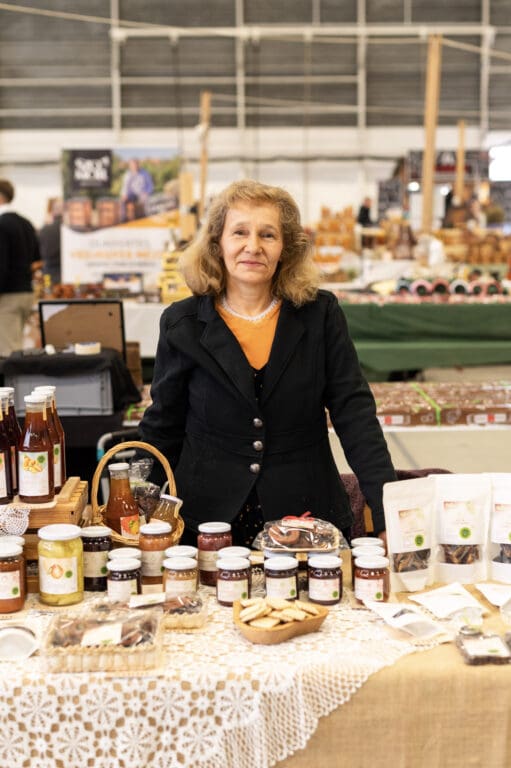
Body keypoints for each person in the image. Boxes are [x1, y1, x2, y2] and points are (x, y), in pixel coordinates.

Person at [138, 179, 396, 547]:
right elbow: (163, 425)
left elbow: (355, 415)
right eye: (239, 232)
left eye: (268, 235)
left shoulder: (320, 315)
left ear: (285, 247)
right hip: (206, 524)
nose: (253, 246)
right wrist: (138, 504)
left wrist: (387, 513)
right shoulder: (183, 324)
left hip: (307, 519)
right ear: (217, 243)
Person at [0, 179, 41, 356]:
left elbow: (1, 266)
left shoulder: (2, 224)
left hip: (7, 296)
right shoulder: (26, 223)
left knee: (7, 352)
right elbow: (37, 259)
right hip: (26, 293)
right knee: (15, 347)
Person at [38, 197, 63, 285]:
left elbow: (41, 254)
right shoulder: (72, 229)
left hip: (50, 275)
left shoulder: (46, 230)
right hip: (70, 276)